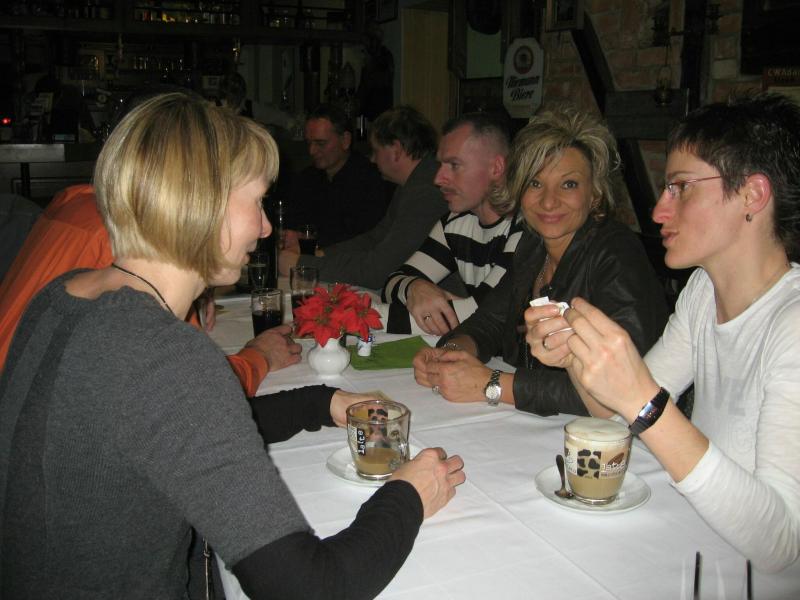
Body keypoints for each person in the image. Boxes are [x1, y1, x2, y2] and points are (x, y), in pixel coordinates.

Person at [0, 93, 465, 598]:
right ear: (203, 203)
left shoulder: (63, 295)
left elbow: (169, 430)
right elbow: (308, 589)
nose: (265, 227)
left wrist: (322, 402)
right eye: (257, 200)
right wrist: (408, 495)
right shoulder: (164, 354)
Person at [526, 93, 800, 572]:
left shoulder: (792, 322)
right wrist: (575, 356)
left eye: (681, 187)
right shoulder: (702, 291)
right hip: (705, 543)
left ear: (753, 195)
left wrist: (644, 400)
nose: (658, 211)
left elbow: (781, 544)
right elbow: (620, 418)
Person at [414, 107, 668, 416]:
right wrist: (450, 354)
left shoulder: (617, 254)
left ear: (595, 194)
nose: (548, 201)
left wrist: (491, 384)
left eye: (569, 184)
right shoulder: (534, 246)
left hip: (610, 435)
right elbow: (489, 322)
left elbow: (625, 386)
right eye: (535, 183)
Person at [381, 112, 523, 334]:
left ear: (496, 168)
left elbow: (480, 316)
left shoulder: (525, 228)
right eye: (441, 165)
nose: (438, 179)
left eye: (454, 165)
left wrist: (358, 317)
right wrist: (415, 287)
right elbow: (391, 284)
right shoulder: (454, 223)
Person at [278, 105, 446, 290]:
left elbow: (376, 270)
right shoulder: (411, 185)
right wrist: (320, 254)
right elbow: (373, 239)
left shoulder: (426, 192)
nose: (372, 159)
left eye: (375, 150)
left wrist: (303, 264)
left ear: (396, 150)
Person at [284, 104, 393, 247]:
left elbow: (366, 238)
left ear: (345, 140)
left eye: (320, 143)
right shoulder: (305, 179)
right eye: (309, 143)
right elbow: (292, 223)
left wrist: (310, 241)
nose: (311, 151)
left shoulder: (370, 180)